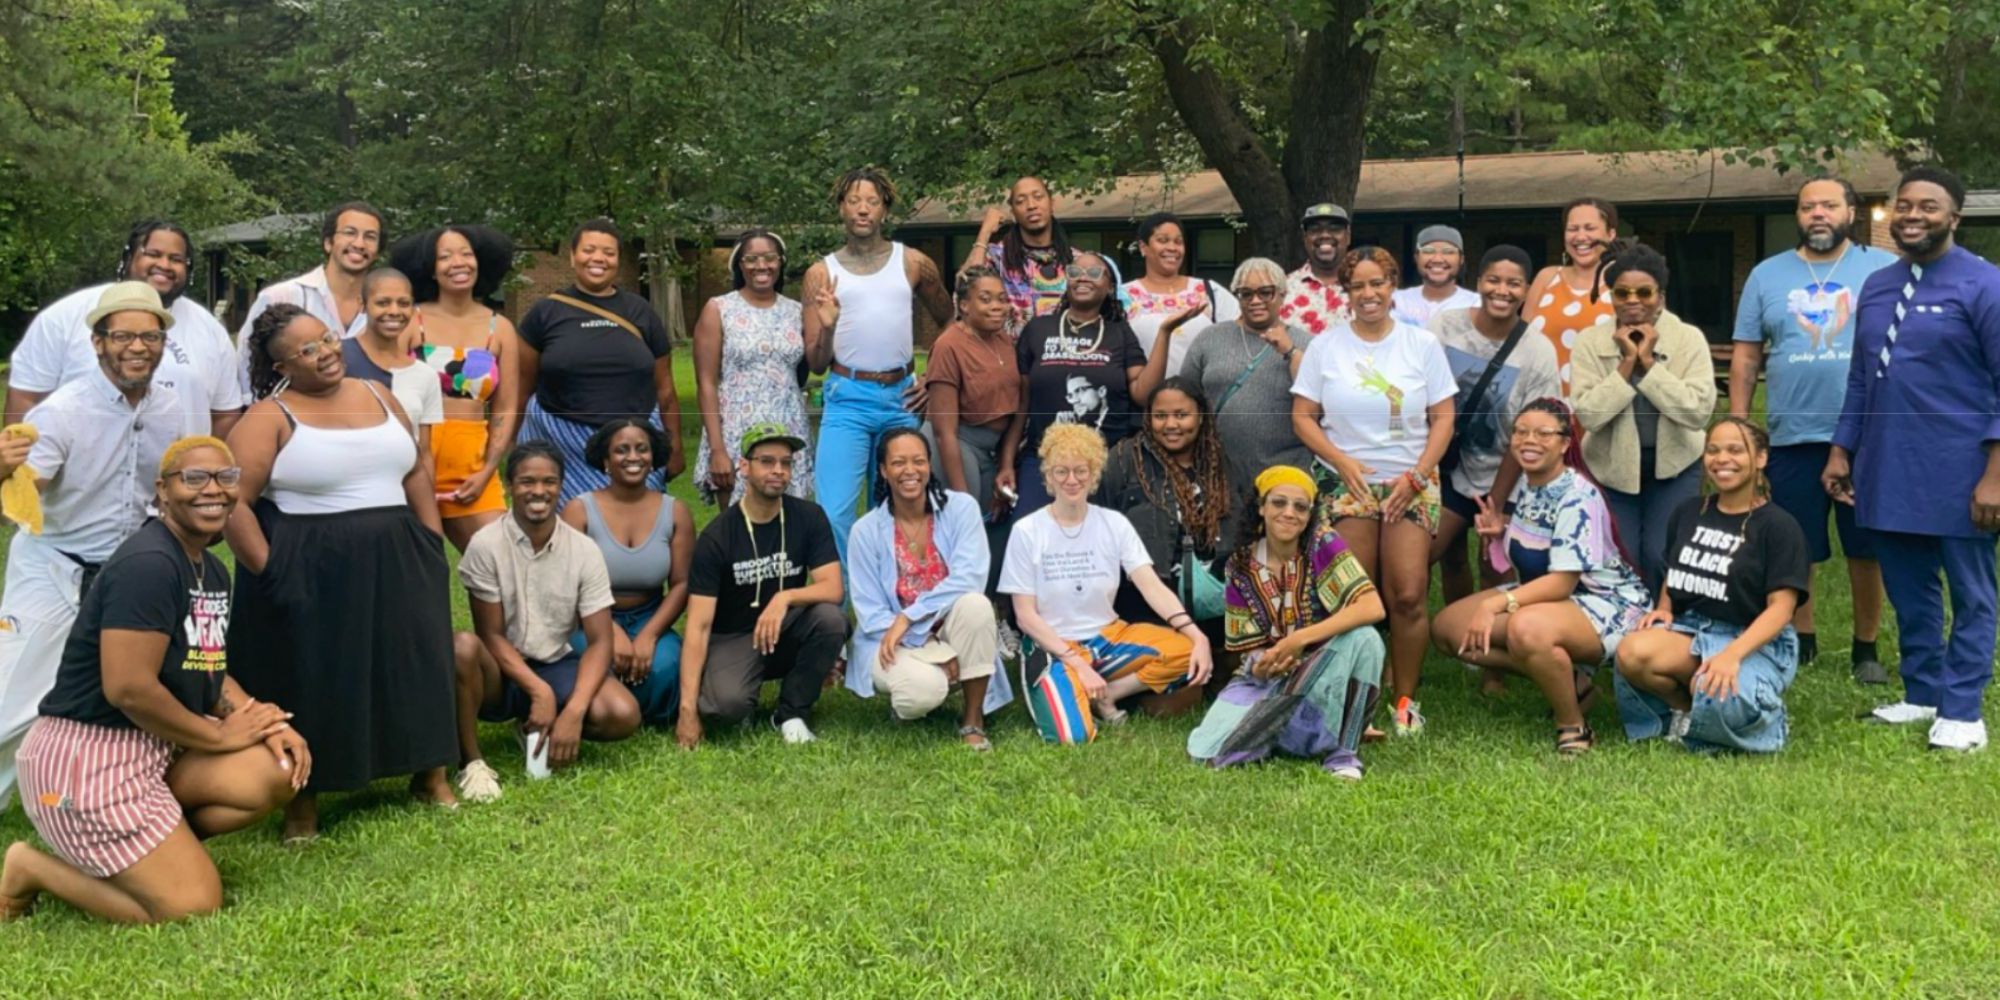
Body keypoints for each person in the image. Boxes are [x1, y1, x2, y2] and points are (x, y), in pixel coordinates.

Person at [0, 438, 309, 924]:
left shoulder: (209, 568)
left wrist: (264, 722)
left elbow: (208, 664)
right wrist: (217, 735)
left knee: (272, 769)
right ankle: (31, 867)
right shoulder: (148, 565)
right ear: (161, 492)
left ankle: (154, 852)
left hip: (152, 750)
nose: (213, 490)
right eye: (193, 478)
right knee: (190, 906)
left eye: (225, 478)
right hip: (85, 761)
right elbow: (128, 688)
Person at [227, 304, 459, 840]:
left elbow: (416, 470)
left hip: (400, 551)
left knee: (415, 657)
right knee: (312, 674)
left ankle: (430, 775)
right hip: (312, 560)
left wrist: (430, 540)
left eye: (328, 339)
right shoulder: (268, 415)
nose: (327, 353)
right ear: (281, 363)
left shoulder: (380, 394)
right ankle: (302, 804)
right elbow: (234, 501)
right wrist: (270, 569)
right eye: (307, 350)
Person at [1829, 165, 2000, 752]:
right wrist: (1840, 451)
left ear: (1954, 216)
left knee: (1972, 593)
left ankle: (1962, 709)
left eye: (1928, 207)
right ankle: (1923, 692)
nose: (1912, 216)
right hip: (1887, 467)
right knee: (1909, 588)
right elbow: (1860, 380)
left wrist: (1995, 478)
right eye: (1904, 206)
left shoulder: (1985, 285)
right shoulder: (1877, 286)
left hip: (1963, 471)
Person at [0, 283, 185, 802]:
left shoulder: (167, 407)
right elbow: (22, 490)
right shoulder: (61, 412)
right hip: (53, 567)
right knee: (12, 694)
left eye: (150, 336)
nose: (137, 346)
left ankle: (95, 788)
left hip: (125, 575)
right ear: (98, 342)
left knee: (115, 692)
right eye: (123, 335)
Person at [1729, 177, 1896, 684]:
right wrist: (1739, 423)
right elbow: (1746, 356)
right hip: (1791, 433)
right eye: (1808, 207)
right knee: (1796, 546)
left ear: (1851, 210)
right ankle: (1800, 639)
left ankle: (1865, 647)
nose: (1818, 213)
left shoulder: (1883, 269)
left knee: (1865, 546)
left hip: (1867, 434)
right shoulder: (1766, 275)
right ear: (1797, 215)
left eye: (1829, 204)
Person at [1289, 246, 1457, 736]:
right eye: (1357, 285)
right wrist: (1339, 459)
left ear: (1392, 286)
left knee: (1406, 594)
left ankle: (1403, 701)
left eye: (1377, 283)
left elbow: (1443, 417)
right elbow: (1302, 416)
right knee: (1353, 594)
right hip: (1349, 481)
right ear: (1347, 292)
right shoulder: (1326, 346)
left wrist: (1419, 474)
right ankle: (1354, 697)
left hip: (1412, 477)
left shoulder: (1420, 344)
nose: (1368, 294)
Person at [1430, 399, 1650, 756]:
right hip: (1552, 599)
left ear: (1565, 443)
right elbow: (1536, 554)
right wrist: (1500, 532)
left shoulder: (1578, 495)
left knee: (1526, 629)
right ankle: (1570, 679)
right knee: (1448, 629)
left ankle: (1572, 724)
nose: (1529, 440)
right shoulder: (1530, 485)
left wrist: (1495, 604)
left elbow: (1563, 580)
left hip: (1606, 604)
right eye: (1521, 431)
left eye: (1543, 433)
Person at [1000, 424, 1214, 743]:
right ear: (1047, 474)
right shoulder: (1027, 530)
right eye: (1061, 471)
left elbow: (1151, 585)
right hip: (1055, 646)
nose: (1071, 480)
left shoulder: (1113, 523)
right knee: (1073, 736)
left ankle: (1108, 693)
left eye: (1080, 470)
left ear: (1094, 472)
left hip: (1108, 638)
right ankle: (1077, 684)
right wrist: (1076, 663)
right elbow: (1025, 616)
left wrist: (1197, 636)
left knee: (1185, 650)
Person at [451, 442, 640, 802]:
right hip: (501, 668)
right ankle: (471, 761)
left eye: (549, 481)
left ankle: (532, 726)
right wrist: (540, 691)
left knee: (622, 713)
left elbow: (600, 641)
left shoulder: (584, 550)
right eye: (526, 481)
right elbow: (489, 634)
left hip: (555, 661)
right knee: (462, 647)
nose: (538, 491)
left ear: (560, 485)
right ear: (508, 485)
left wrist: (574, 711)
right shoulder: (485, 544)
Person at [1615, 419, 1810, 752]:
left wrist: (1731, 654)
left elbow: (1782, 609)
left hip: (1753, 640)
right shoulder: (1689, 511)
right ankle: (1685, 710)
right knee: (1631, 653)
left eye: (1735, 450)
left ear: (1760, 458)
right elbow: (1675, 569)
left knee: (1721, 691)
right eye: (1713, 450)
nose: (1722, 459)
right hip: (1693, 630)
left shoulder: (1779, 526)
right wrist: (1664, 608)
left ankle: (1769, 722)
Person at [1186, 466, 1387, 778]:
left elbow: (1372, 605)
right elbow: (1249, 648)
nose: (1289, 513)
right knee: (1206, 749)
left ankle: (1342, 753)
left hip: (1327, 670)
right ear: (1261, 507)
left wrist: (1300, 640)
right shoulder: (1239, 565)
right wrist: (1262, 663)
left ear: (1309, 515)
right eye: (1278, 503)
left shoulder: (1322, 542)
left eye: (1300, 506)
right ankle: (1290, 730)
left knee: (1366, 639)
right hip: (1271, 681)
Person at [802, 167, 954, 566]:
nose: (863, 209)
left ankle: (889, 606)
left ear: (884, 209)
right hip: (847, 399)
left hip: (901, 400)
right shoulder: (821, 274)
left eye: (872, 201)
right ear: (841, 208)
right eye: (854, 201)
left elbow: (949, 321)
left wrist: (931, 375)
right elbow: (816, 364)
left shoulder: (913, 263)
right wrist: (828, 327)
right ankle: (838, 612)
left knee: (894, 506)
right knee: (833, 512)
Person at [677, 423, 848, 748]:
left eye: (786, 463)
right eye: (767, 461)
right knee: (724, 708)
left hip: (786, 627)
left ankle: (791, 712)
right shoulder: (717, 537)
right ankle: (736, 690)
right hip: (734, 636)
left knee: (831, 619)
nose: (779, 471)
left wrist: (785, 597)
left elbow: (832, 588)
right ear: (744, 466)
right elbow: (697, 626)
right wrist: (687, 711)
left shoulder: (809, 517)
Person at [845, 429, 1009, 748]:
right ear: (882, 470)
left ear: (929, 466)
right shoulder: (864, 532)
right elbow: (871, 613)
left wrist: (909, 618)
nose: (910, 470)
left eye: (919, 461)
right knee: (918, 694)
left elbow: (969, 578)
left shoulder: (960, 509)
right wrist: (932, 645)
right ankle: (920, 690)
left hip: (946, 626)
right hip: (892, 641)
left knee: (975, 604)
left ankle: (972, 718)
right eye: (898, 462)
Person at [7, 220, 245, 438]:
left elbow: (225, 412)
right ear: (129, 258)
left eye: (176, 259)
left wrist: (203, 467)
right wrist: (21, 473)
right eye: (153, 254)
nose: (164, 264)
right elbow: (25, 397)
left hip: (179, 478)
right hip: (80, 481)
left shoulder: (210, 330)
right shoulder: (65, 316)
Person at [1426, 246, 1563, 624]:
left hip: (1508, 471)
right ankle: (1453, 635)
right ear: (1479, 282)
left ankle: (1492, 664)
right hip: (1449, 467)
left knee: (1495, 563)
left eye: (1514, 283)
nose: (1502, 290)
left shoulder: (1537, 351)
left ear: (1526, 290)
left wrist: (1497, 506)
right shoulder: (1444, 328)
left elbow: (1530, 436)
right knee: (1433, 552)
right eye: (1494, 280)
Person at [1570, 242, 1718, 588]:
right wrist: (1625, 363)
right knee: (1624, 556)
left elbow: (1697, 412)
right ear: (1611, 297)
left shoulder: (1688, 339)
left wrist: (1649, 364)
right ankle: (1624, 630)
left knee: (1660, 553)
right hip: (1611, 468)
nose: (1632, 300)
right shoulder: (1590, 342)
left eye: (1644, 291)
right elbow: (1590, 415)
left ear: (1661, 295)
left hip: (1675, 466)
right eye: (1622, 292)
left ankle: (1663, 628)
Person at [516, 218, 682, 505]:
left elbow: (665, 389)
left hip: (632, 444)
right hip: (560, 442)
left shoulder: (640, 311)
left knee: (637, 530)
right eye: (589, 250)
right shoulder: (545, 313)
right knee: (563, 535)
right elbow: (520, 387)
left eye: (608, 252)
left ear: (617, 259)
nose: (598, 259)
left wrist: (675, 445)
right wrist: (509, 445)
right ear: (572, 256)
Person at [1094, 376, 1237, 706]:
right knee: (1175, 706)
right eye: (1160, 416)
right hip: (1146, 605)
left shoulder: (1221, 463)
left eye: (1181, 415)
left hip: (1212, 604)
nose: (1171, 424)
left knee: (1225, 679)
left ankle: (1216, 662)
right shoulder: (1122, 461)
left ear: (1200, 416)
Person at [388, 224, 521, 555]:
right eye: (444, 256)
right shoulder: (409, 319)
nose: (457, 263)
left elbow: (505, 408)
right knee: (417, 568)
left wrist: (489, 469)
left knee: (502, 562)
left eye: (466, 254)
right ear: (431, 269)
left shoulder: (500, 328)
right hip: (409, 464)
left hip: (472, 468)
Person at [1007, 251, 1170, 514]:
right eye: (1074, 272)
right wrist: (1006, 461)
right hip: (1043, 460)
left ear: (1109, 286)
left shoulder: (1119, 332)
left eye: (1094, 273)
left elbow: (1143, 394)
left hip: (1106, 462)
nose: (1083, 278)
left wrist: (1165, 334)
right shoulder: (1038, 329)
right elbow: (1022, 403)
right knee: (1029, 537)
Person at [560, 419, 692, 727]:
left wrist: (648, 635)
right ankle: (605, 711)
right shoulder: (578, 509)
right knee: (594, 661)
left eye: (641, 449)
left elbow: (682, 583)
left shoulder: (675, 511)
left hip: (649, 615)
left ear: (653, 455)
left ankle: (640, 713)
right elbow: (567, 585)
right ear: (606, 460)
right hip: (588, 616)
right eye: (621, 450)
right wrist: (608, 630)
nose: (633, 457)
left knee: (666, 665)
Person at [693, 229, 815, 504]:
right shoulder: (719, 309)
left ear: (781, 262)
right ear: (739, 264)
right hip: (735, 429)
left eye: (770, 258)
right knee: (737, 527)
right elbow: (706, 383)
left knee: (789, 523)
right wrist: (717, 448)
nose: (762, 266)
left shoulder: (796, 311)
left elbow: (814, 364)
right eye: (752, 259)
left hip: (788, 426)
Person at [1179, 257, 1313, 480]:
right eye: (1246, 293)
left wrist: (1290, 352)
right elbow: (1185, 397)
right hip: (1218, 472)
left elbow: (1318, 403)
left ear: (1282, 294)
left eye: (1265, 292)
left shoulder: (1307, 344)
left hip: (1286, 473)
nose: (1255, 300)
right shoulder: (1209, 338)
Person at [232, 201, 383, 398]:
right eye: (349, 232)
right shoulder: (280, 297)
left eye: (370, 237)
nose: (359, 243)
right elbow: (246, 372)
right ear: (328, 242)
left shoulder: (386, 311)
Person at [923, 265, 1024, 527]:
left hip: (992, 447)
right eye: (986, 299)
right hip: (957, 442)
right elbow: (943, 431)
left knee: (994, 522)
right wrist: (961, 499)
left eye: (1002, 299)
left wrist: (1005, 462)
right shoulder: (949, 346)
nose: (997, 306)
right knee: (965, 523)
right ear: (965, 306)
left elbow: (1017, 407)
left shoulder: (1003, 339)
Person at [1123, 212, 1240, 375]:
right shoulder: (1123, 296)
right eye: (1162, 240)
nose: (1172, 247)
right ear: (1143, 247)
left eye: (1178, 241)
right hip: (1142, 397)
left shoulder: (1209, 291)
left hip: (1201, 397)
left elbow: (1242, 337)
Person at [340, 268, 443, 453]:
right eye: (383, 303)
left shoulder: (425, 375)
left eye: (403, 303)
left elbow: (424, 451)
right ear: (362, 304)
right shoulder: (337, 358)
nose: (394, 311)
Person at [1524, 198, 1618, 393]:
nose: (1580, 236)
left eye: (1590, 228)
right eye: (1572, 229)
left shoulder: (1624, 283)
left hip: (1602, 408)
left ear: (1610, 234)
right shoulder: (1546, 278)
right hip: (1542, 407)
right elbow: (1519, 344)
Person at [960, 176, 1075, 334]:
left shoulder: (1076, 261)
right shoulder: (998, 256)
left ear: (1052, 204)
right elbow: (965, 288)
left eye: (1038, 197)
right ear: (1013, 212)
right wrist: (984, 233)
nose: (1031, 205)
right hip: (1009, 354)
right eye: (1020, 201)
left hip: (1062, 353)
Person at [1279, 203, 1353, 335]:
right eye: (1315, 230)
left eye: (1335, 228)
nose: (1324, 235)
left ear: (1348, 237)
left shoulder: (1368, 287)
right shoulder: (1283, 289)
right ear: (1305, 238)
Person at [1392, 225, 1481, 327]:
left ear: (1461, 259)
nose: (1437, 259)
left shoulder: (1476, 304)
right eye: (1428, 251)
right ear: (1416, 258)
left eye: (1448, 251)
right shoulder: (1398, 301)